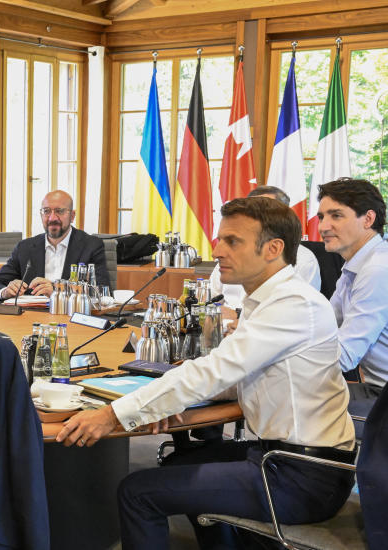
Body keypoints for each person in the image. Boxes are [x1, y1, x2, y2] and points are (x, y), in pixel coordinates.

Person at [56, 197, 355, 549]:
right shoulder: (271, 300)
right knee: (175, 466)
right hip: (288, 459)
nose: (216, 250)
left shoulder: (293, 305)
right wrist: (168, 400)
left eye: (232, 241)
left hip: (300, 474)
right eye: (218, 239)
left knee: (137, 492)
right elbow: (235, 378)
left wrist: (112, 415)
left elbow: (212, 372)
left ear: (273, 248)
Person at [317, 178, 388, 397]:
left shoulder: (378, 268)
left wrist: (275, 355)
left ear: (368, 219)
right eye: (321, 217)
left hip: (382, 396)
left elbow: (344, 356)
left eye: (336, 215)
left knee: (293, 404)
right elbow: (323, 324)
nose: (322, 227)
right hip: (377, 390)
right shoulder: (357, 264)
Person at [0, 190, 110, 300]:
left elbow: (101, 291)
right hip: (29, 319)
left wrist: (57, 291)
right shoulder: (24, 248)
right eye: (46, 211)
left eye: (59, 211)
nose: (52, 218)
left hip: (71, 317)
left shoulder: (91, 246)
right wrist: (4, 292)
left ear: (72, 216)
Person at [209, 185, 321, 309]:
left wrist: (237, 316)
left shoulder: (304, 260)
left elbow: (295, 309)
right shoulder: (229, 257)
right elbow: (210, 298)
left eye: (265, 211)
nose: (217, 253)